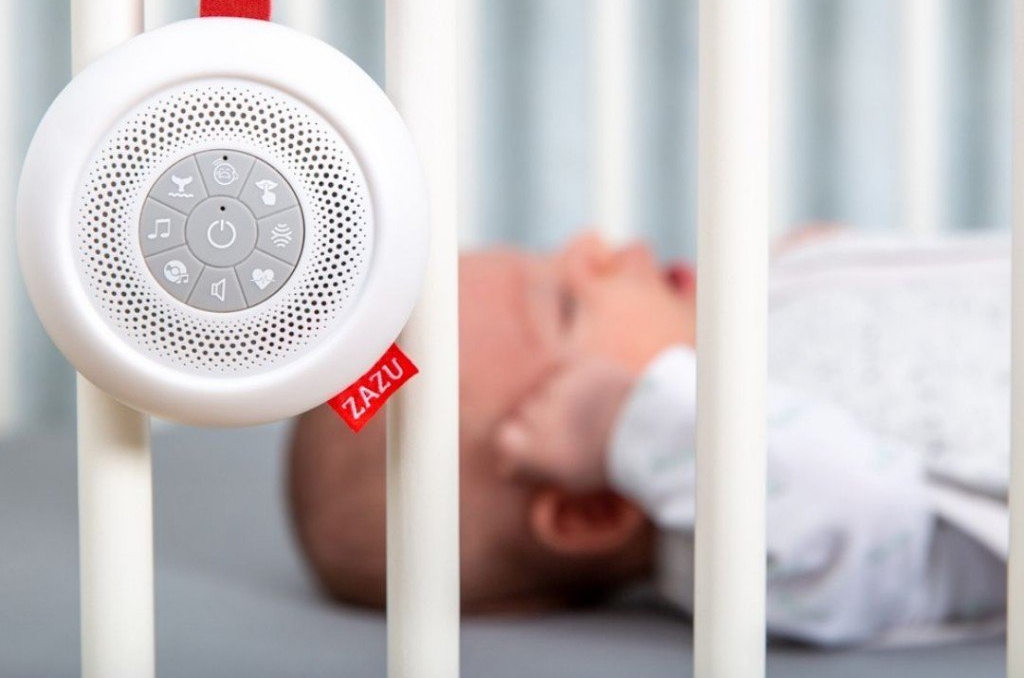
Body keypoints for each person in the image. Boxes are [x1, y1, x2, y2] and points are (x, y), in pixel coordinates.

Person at [287, 229, 1010, 646]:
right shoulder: (734, 549)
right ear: (593, 507)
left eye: (548, 256)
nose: (593, 245)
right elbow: (866, 507)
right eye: (567, 305)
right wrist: (631, 424)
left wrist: (815, 263)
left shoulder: (747, 312)